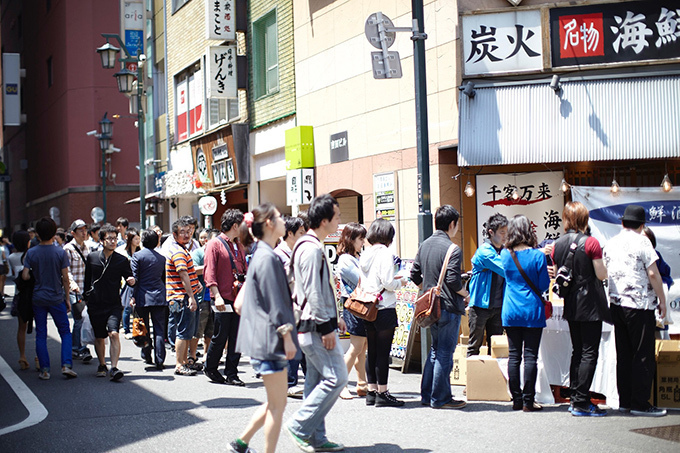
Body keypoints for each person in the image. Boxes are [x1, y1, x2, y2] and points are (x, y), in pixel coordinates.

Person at [229, 204, 300, 453]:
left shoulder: (260, 253)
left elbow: (240, 304)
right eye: (279, 217)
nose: (283, 220)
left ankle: (240, 443)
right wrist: (287, 336)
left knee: (274, 402)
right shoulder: (268, 256)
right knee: (278, 406)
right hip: (271, 341)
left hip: (262, 339)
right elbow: (276, 303)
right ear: (269, 223)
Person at [286, 194, 348, 453]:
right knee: (337, 378)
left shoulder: (305, 245)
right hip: (315, 327)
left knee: (315, 382)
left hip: (310, 326)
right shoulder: (311, 248)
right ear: (324, 221)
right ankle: (300, 426)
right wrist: (326, 327)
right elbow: (312, 291)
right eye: (337, 216)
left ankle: (316, 437)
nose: (339, 220)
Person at [603, 205, 667, 417]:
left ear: (622, 223)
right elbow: (654, 274)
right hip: (639, 305)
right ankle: (640, 403)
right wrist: (662, 301)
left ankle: (626, 401)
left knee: (624, 353)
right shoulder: (642, 241)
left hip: (617, 304)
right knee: (642, 354)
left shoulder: (610, 243)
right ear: (642, 225)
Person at [552, 202, 611, 417]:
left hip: (571, 305)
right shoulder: (591, 243)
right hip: (590, 305)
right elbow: (601, 274)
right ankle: (582, 402)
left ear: (566, 218)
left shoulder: (557, 244)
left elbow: (559, 274)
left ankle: (575, 399)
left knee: (578, 350)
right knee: (589, 352)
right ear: (585, 219)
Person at [411, 205, 469, 409]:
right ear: (452, 224)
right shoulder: (453, 248)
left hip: (430, 308)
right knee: (444, 352)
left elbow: (414, 274)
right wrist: (465, 293)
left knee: (435, 350)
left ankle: (427, 395)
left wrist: (428, 289)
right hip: (448, 306)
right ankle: (441, 398)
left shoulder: (424, 244)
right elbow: (453, 281)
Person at [501, 215, 550, 412]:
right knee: (530, 356)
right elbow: (544, 285)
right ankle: (529, 402)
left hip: (511, 309)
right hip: (532, 310)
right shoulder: (538, 256)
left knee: (514, 356)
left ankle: (516, 400)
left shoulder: (505, 255)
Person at [22, 217, 77, 380]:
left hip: (38, 297)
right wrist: (67, 298)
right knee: (65, 332)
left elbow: (25, 275)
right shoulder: (60, 252)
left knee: (41, 333)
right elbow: (65, 278)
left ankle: (45, 369)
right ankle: (66, 365)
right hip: (56, 297)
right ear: (54, 233)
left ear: (37, 234)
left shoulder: (31, 252)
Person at [356, 219, 404, 407]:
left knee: (372, 351)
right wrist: (402, 282)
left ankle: (371, 391)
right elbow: (388, 283)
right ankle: (383, 393)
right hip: (384, 307)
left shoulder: (365, 254)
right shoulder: (385, 254)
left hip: (368, 307)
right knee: (383, 352)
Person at [84, 224, 136, 381]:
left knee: (113, 333)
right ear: (101, 240)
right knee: (99, 337)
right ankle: (101, 364)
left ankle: (114, 367)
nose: (113, 241)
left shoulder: (121, 260)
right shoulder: (92, 257)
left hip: (114, 303)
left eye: (115, 238)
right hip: (95, 303)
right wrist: (86, 298)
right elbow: (87, 281)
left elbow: (130, 277)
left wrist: (131, 280)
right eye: (110, 238)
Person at [203, 209, 248, 385]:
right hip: (223, 297)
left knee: (236, 337)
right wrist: (217, 295)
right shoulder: (214, 244)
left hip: (238, 297)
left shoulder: (240, 245)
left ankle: (232, 373)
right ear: (235, 225)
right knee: (221, 335)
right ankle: (211, 368)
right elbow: (210, 273)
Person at [274, 215, 307, 396]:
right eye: (301, 232)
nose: (304, 236)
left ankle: (309, 381)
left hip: (301, 306)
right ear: (290, 233)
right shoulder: (279, 254)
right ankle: (289, 383)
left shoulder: (297, 252)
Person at [166, 217, 203, 376]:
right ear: (175, 235)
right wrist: (191, 296)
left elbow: (189, 274)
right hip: (181, 297)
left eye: (189, 231)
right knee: (183, 331)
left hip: (183, 296)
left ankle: (186, 361)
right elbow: (183, 275)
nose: (187, 235)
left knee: (187, 331)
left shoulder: (182, 249)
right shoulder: (178, 251)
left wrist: (196, 285)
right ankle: (180, 364)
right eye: (183, 232)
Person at [336, 222, 368, 400]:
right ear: (351, 239)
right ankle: (340, 384)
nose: (363, 241)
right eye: (360, 238)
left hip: (359, 305)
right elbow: (360, 281)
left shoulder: (355, 256)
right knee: (356, 347)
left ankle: (362, 384)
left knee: (362, 347)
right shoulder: (345, 260)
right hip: (354, 305)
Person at [468, 213, 508, 357]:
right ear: (491, 232)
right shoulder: (484, 251)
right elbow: (504, 269)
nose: (505, 236)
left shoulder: (504, 251)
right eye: (501, 232)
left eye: (506, 232)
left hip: (498, 307)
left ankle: (491, 378)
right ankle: (472, 378)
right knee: (474, 346)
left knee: (495, 348)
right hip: (480, 306)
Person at [131, 229, 168, 370]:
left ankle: (147, 354)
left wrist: (132, 296)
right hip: (159, 295)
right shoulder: (161, 258)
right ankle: (160, 359)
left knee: (143, 327)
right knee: (159, 328)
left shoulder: (137, 257)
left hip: (142, 295)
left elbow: (135, 279)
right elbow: (163, 279)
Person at [63, 219, 93, 363]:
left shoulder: (88, 247)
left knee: (85, 318)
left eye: (85, 229)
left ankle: (79, 346)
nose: (84, 232)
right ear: (73, 233)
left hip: (86, 290)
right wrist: (72, 284)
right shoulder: (67, 249)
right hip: (74, 291)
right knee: (79, 319)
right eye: (80, 230)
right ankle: (78, 348)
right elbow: (66, 271)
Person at [642, 226, 674, 340]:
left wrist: (660, 287)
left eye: (646, 239)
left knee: (656, 340)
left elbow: (665, 277)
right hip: (635, 304)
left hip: (653, 302)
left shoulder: (656, 255)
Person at [9, 230, 33, 370]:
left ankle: (22, 355)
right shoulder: (31, 255)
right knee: (40, 327)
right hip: (33, 295)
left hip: (19, 295)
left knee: (21, 328)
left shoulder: (12, 257)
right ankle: (38, 357)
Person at [191, 228, 213, 354]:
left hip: (214, 297)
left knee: (211, 330)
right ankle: (192, 355)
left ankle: (207, 354)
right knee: (198, 330)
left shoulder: (216, 252)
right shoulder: (198, 253)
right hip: (201, 296)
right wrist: (208, 266)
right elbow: (192, 270)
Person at [117, 228, 141, 339]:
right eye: (135, 238)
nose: (138, 240)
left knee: (137, 308)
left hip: (138, 281)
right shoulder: (123, 252)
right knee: (127, 306)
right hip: (127, 282)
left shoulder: (140, 251)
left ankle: (137, 329)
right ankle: (126, 329)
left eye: (138, 238)